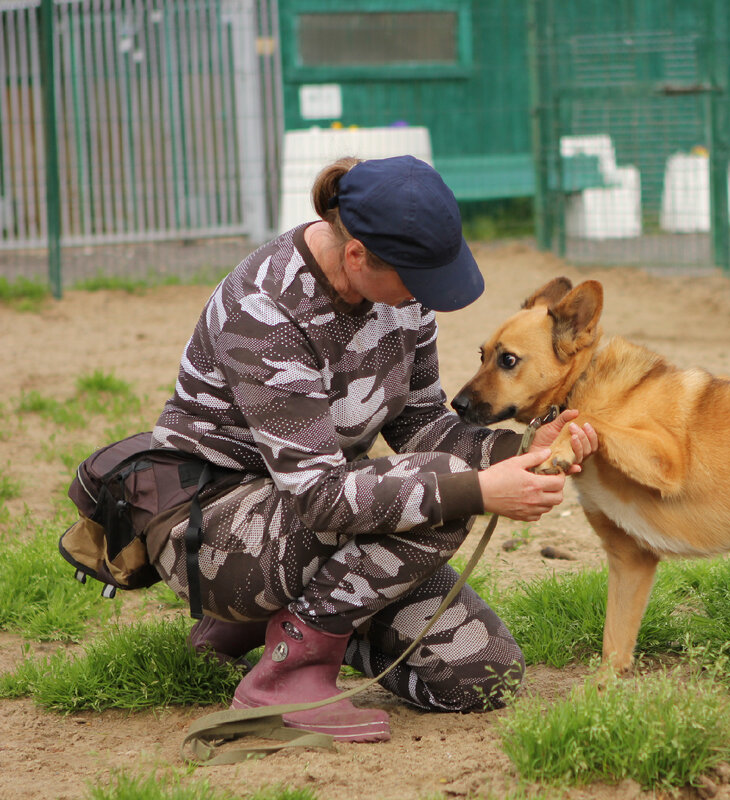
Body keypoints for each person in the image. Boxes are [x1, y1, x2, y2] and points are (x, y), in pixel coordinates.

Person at [145, 155, 597, 743]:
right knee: (442, 489)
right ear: (356, 257)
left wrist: (517, 448)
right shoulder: (266, 309)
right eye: (416, 279)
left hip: (314, 526)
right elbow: (320, 496)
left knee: (480, 676)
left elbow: (422, 426)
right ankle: (285, 675)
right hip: (215, 533)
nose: (424, 296)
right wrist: (478, 489)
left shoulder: (402, 297)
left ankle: (265, 624)